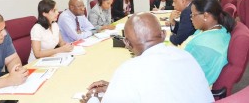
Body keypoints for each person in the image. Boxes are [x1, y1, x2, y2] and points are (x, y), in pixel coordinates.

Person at [81, 12, 214, 103]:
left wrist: (94, 99)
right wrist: (116, 87)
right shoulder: (185, 56)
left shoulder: (129, 70)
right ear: (163, 34)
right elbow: (162, 89)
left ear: (127, 43)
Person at [183, 0, 235, 85]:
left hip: (192, 87)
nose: (191, 18)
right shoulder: (219, 29)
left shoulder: (202, 46)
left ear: (205, 15)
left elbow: (186, 74)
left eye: (193, 14)